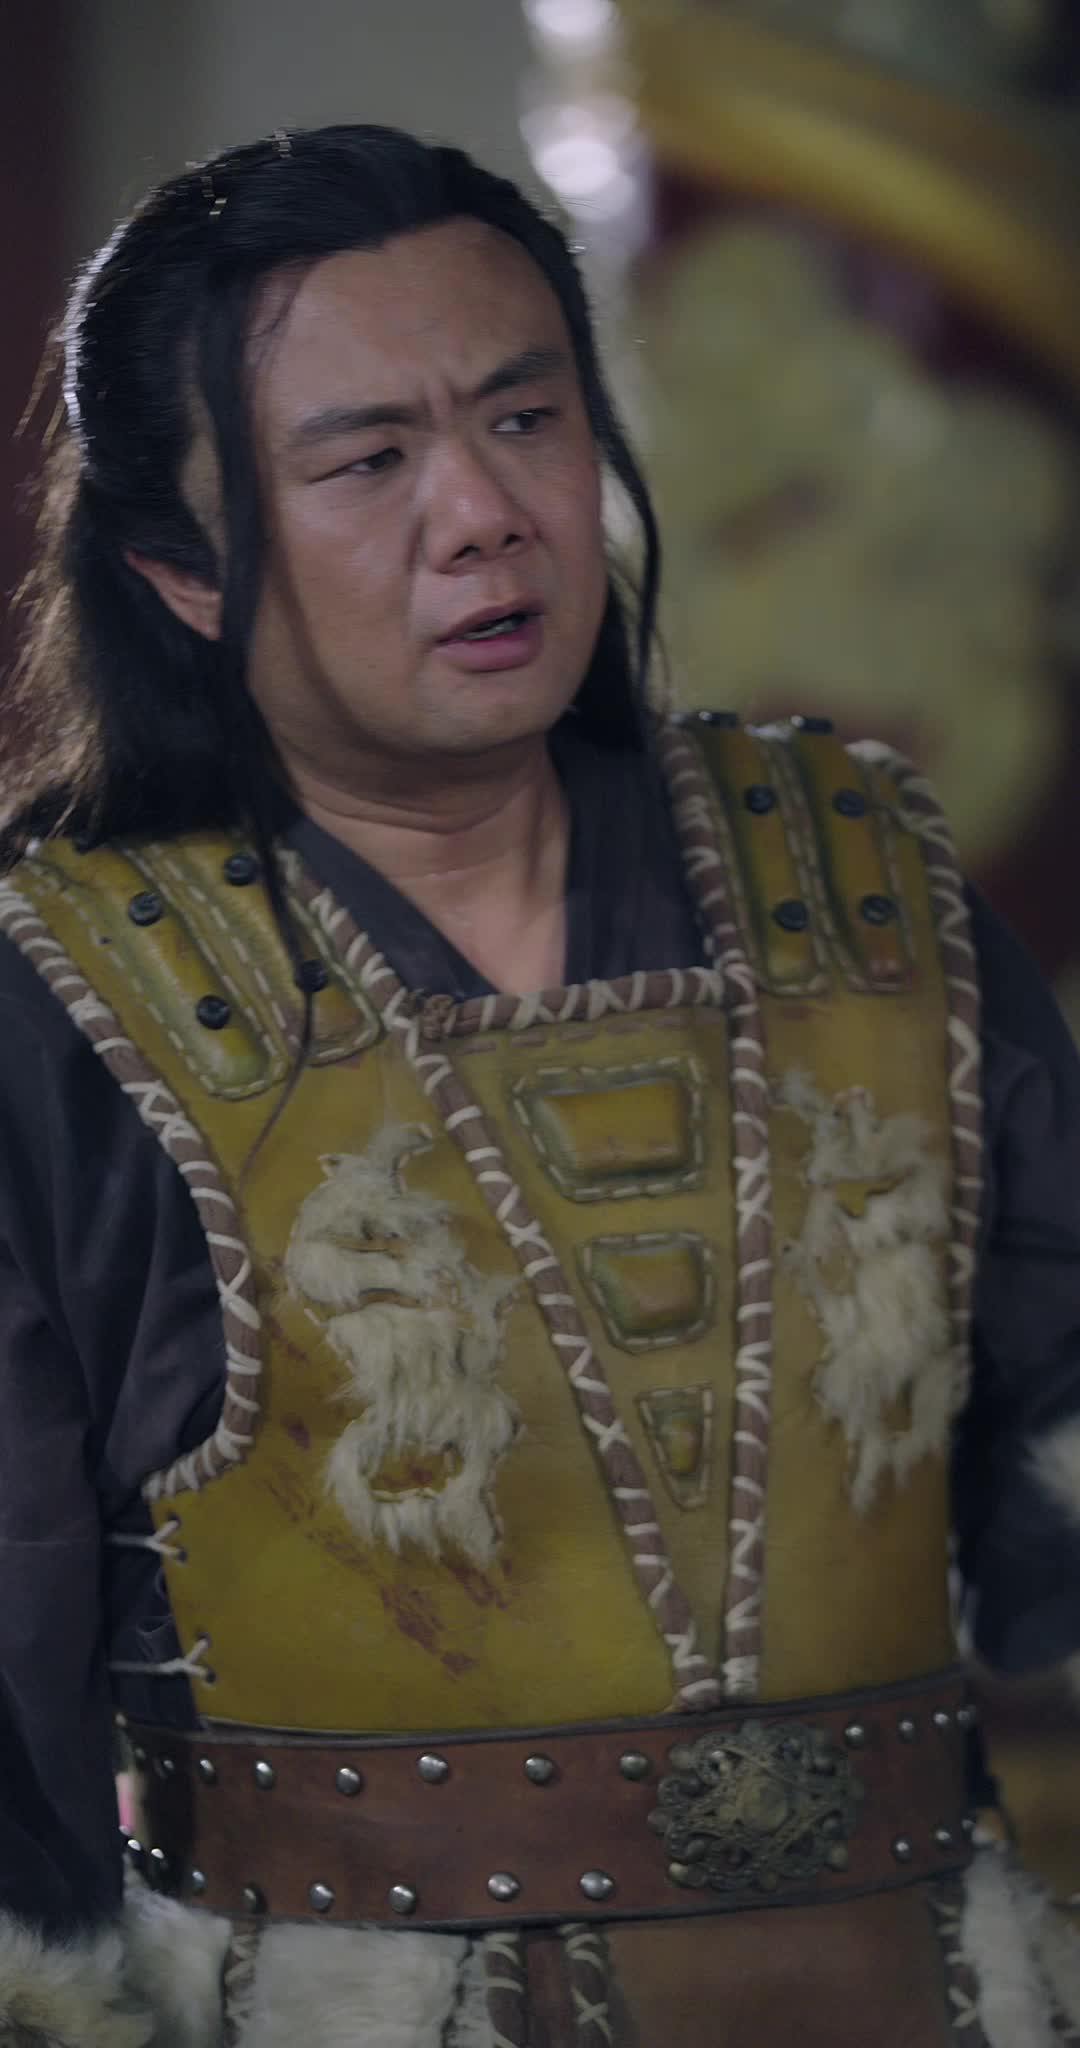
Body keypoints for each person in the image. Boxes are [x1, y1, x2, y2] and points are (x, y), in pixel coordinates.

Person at [0, 122, 1078, 2048]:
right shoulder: (62, 1003)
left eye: (525, 418)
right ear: (182, 569)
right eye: (366, 461)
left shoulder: (868, 893)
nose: (485, 515)